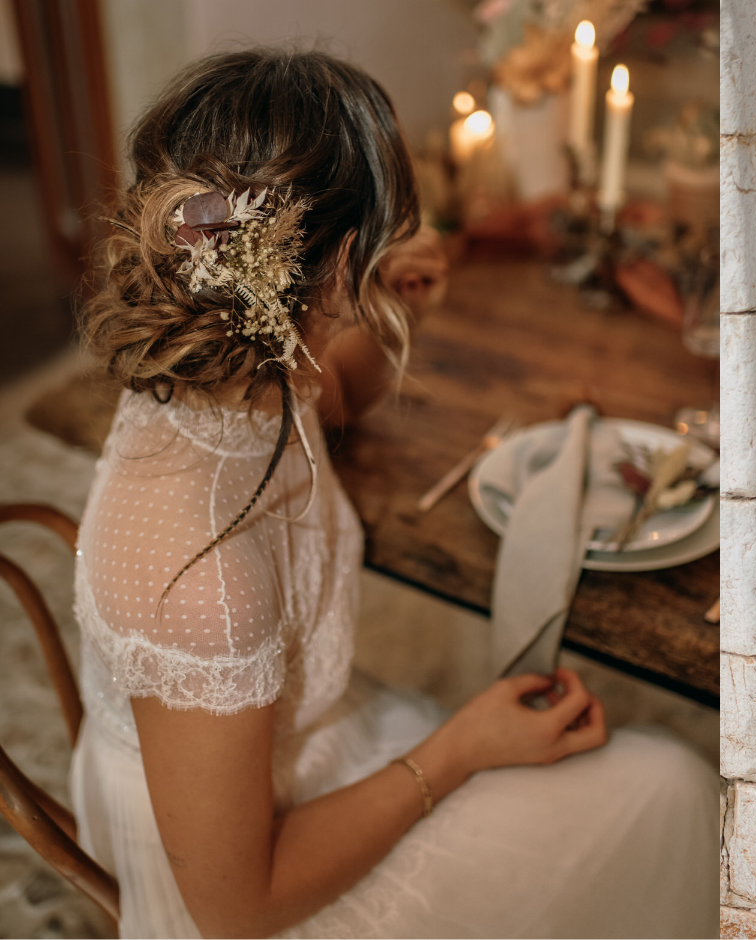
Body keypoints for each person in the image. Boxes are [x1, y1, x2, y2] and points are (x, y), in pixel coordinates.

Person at [71, 48, 716, 939]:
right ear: (334, 270)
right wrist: (456, 752)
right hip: (250, 874)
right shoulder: (204, 579)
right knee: (670, 790)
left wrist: (403, 307)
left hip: (286, 748)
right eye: (378, 251)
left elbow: (324, 396)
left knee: (646, 785)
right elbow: (235, 908)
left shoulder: (227, 363)